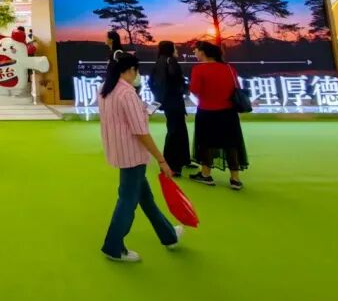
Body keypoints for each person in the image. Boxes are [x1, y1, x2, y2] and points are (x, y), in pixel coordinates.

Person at [98, 52, 182, 262]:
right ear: (130, 70)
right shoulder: (127, 93)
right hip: (133, 154)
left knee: (145, 198)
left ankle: (168, 235)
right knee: (127, 200)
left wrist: (142, 110)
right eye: (136, 71)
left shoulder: (105, 89)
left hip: (119, 150)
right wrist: (161, 159)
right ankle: (113, 247)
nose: (137, 75)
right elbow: (140, 131)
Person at [189, 41, 248, 190]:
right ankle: (235, 179)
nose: (195, 53)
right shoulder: (229, 68)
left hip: (207, 112)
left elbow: (195, 90)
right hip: (228, 112)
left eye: (196, 50)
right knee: (231, 144)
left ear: (203, 52)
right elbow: (236, 87)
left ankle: (206, 174)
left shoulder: (198, 69)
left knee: (206, 143)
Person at [150, 41, 190, 177]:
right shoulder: (170, 61)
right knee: (176, 132)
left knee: (176, 130)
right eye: (174, 48)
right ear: (170, 49)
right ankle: (173, 164)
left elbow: (151, 82)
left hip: (166, 102)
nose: (176, 50)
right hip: (175, 101)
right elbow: (177, 79)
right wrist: (184, 88)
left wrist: (159, 96)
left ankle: (182, 160)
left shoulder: (158, 62)